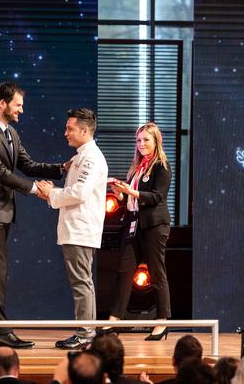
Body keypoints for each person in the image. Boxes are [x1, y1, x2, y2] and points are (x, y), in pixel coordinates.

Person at [0, 82, 65, 349]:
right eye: (18, 105)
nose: (21, 110)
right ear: (3, 104)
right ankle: (0, 331)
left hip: (3, 210)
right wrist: (34, 189)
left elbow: (27, 164)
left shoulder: (11, 133)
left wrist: (60, 169)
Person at [35, 108, 107, 349]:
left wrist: (51, 192)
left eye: (70, 129)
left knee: (81, 282)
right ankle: (85, 331)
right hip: (75, 229)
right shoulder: (80, 157)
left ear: (84, 131)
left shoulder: (92, 158)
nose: (65, 133)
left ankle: (86, 333)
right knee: (81, 281)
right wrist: (50, 195)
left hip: (81, 230)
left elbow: (79, 193)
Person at [106, 122, 172, 340]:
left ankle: (162, 321)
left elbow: (157, 197)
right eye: (138, 140)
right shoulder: (137, 167)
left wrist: (131, 192)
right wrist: (120, 194)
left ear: (156, 141)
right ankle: (114, 319)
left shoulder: (162, 166)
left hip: (154, 226)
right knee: (124, 271)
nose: (141, 144)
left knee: (156, 272)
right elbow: (129, 200)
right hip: (133, 224)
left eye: (146, 140)